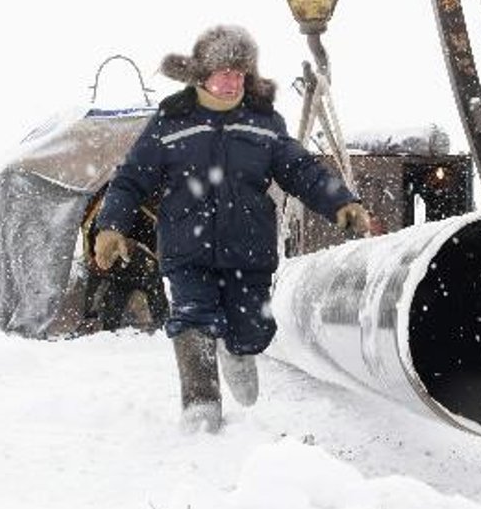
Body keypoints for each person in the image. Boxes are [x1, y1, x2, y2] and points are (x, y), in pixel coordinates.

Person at [92, 24, 370, 432]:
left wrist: (341, 202)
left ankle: (239, 349)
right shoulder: (171, 121)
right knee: (192, 319)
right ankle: (200, 404)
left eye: (240, 74)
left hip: (249, 250)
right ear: (203, 74)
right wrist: (110, 226)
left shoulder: (264, 122)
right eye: (224, 72)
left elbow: (301, 169)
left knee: (251, 328)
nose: (232, 81)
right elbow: (132, 177)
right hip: (187, 248)